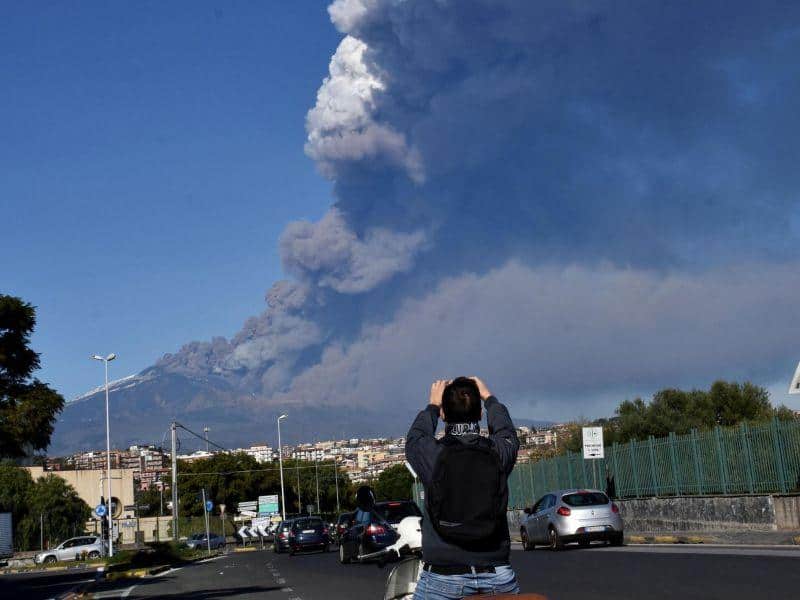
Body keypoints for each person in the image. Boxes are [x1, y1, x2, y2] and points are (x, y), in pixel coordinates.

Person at [406, 376, 520, 599]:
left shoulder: (433, 456)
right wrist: (489, 398)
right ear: (480, 414)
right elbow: (507, 433)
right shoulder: (498, 452)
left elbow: (415, 439)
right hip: (497, 576)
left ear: (443, 415)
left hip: (442, 578)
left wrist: (432, 405)